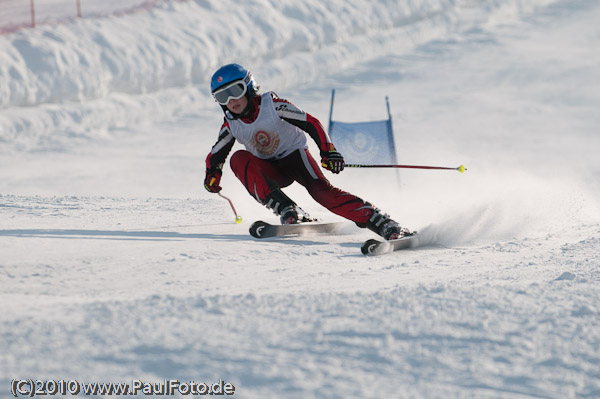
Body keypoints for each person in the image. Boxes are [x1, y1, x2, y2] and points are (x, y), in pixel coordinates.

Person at [203, 63, 412, 240]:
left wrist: (328, 151)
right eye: (222, 96)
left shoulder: (272, 105)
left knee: (322, 193)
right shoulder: (231, 124)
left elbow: (311, 123)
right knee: (238, 159)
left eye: (235, 91)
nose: (231, 100)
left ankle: (382, 222)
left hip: (295, 158)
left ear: (249, 87)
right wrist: (212, 174)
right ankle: (288, 209)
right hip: (270, 171)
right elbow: (216, 154)